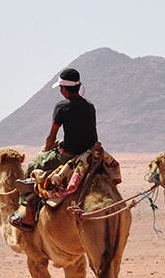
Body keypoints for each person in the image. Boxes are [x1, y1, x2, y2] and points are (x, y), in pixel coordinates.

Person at [9, 67, 98, 231]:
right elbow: (85, 132)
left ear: (64, 88)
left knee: (32, 166)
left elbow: (51, 136)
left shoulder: (62, 106)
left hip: (68, 155)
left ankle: (26, 214)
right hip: (90, 154)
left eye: (60, 88)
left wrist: (46, 150)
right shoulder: (90, 106)